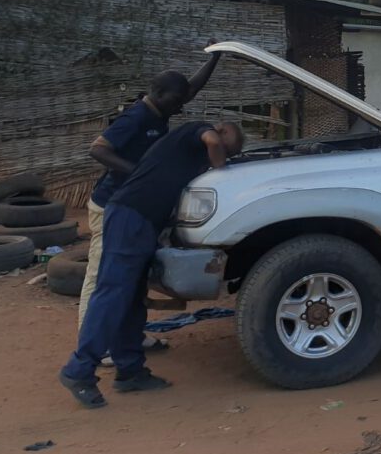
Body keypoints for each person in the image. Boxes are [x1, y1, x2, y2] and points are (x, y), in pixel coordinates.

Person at [60, 120, 244, 408]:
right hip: (130, 216)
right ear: (219, 129)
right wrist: (223, 171)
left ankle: (130, 369)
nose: (222, 153)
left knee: (132, 297)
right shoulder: (197, 130)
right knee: (112, 294)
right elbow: (213, 142)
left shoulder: (191, 155)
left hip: (142, 222)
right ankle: (79, 370)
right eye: (226, 144)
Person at [79, 51, 220, 346]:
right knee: (102, 277)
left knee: (131, 275)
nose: (181, 108)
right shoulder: (136, 116)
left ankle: (128, 337)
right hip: (110, 205)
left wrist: (214, 58)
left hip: (132, 207)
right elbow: (98, 149)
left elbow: (189, 88)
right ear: (158, 93)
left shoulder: (162, 109)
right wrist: (141, 173)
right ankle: (93, 342)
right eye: (177, 101)